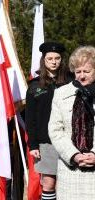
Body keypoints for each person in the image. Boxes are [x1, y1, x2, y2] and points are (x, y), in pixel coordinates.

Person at [25, 42, 72, 200]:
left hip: (69, 140)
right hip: (46, 142)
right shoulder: (35, 86)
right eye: (50, 58)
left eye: (57, 58)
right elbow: (30, 118)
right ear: (44, 60)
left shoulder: (72, 82)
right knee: (49, 183)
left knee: (69, 184)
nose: (54, 61)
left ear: (61, 60)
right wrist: (33, 144)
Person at [48, 45, 95, 199]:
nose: (81, 76)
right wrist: (73, 155)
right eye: (78, 72)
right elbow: (55, 130)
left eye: (86, 71)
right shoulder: (61, 94)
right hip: (70, 170)